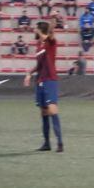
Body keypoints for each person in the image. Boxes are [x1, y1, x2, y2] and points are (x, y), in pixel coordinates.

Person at [23, 21, 63, 153]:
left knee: (52, 110)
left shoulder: (50, 43)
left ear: (40, 30)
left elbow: (51, 33)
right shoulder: (38, 45)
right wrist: (29, 74)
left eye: (36, 28)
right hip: (40, 80)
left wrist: (52, 19)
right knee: (43, 112)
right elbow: (39, 65)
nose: (34, 30)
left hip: (50, 80)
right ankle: (46, 143)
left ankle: (60, 143)